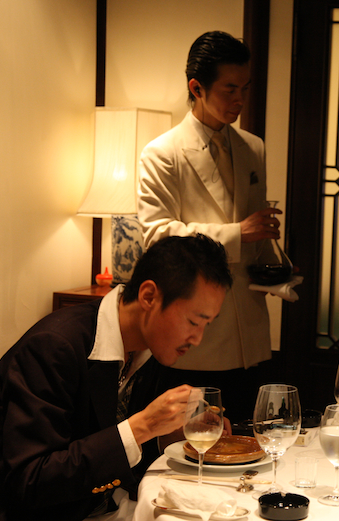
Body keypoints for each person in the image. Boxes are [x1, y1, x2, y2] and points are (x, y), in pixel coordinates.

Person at [0, 234, 233, 521]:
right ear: (148, 296)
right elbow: (30, 481)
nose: (197, 339)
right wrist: (143, 426)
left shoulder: (151, 348)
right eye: (193, 321)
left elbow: (112, 445)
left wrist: (166, 433)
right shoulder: (54, 347)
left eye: (206, 325)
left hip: (102, 507)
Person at [138, 31, 280, 420]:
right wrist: (237, 233)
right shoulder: (162, 153)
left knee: (249, 443)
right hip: (196, 337)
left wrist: (275, 268)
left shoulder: (253, 147)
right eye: (229, 89)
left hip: (249, 330)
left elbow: (255, 226)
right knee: (194, 446)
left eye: (245, 88)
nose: (240, 100)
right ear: (196, 88)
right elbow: (156, 236)